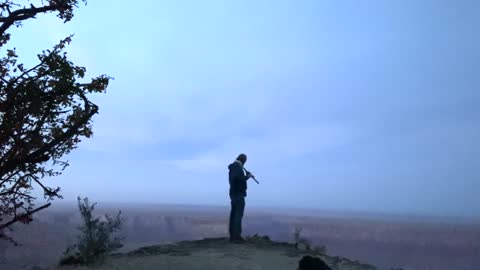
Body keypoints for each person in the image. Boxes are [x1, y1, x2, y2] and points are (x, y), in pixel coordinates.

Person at [228, 153, 254, 243]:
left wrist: (246, 177)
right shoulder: (237, 167)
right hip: (238, 194)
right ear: (244, 161)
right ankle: (236, 237)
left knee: (234, 214)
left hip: (233, 194)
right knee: (238, 215)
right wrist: (247, 176)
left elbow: (237, 180)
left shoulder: (233, 167)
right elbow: (238, 179)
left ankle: (232, 236)